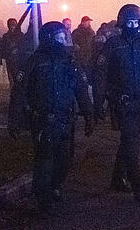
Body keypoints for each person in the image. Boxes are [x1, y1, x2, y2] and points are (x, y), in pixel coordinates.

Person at [8, 21, 94, 213]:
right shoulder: (34, 62)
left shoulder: (70, 62)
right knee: (44, 161)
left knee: (64, 160)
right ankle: (43, 199)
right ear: (49, 38)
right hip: (43, 120)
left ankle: (54, 186)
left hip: (65, 120)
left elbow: (80, 89)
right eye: (60, 38)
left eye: (65, 37)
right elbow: (19, 92)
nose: (64, 41)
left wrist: (89, 114)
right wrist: (14, 120)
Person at [94, 4, 140, 202]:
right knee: (131, 143)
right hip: (122, 102)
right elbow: (100, 75)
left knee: (128, 141)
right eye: (130, 21)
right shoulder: (112, 44)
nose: (134, 25)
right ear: (122, 23)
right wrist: (99, 102)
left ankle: (117, 178)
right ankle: (138, 186)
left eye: (137, 21)